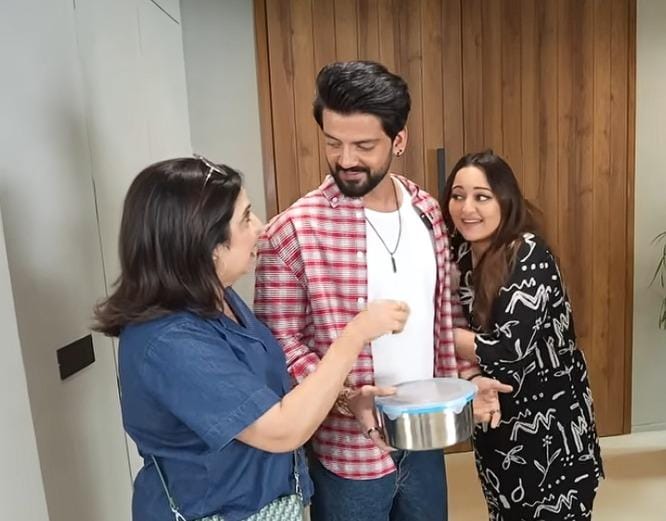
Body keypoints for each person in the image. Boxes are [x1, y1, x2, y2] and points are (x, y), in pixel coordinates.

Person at [254, 61, 510, 521]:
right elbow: (279, 343)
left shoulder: (427, 211)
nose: (345, 159)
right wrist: (345, 396)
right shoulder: (294, 230)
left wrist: (468, 378)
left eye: (364, 145)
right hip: (348, 454)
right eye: (333, 142)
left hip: (424, 436)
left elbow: (443, 314)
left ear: (399, 140)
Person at [92, 156, 411, 521]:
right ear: (207, 243)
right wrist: (355, 335)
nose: (261, 227)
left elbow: (258, 389)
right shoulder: (169, 342)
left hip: (272, 504)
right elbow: (281, 429)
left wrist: (343, 398)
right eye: (245, 218)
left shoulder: (220, 298)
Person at [443, 150, 604, 520]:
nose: (467, 208)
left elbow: (507, 351)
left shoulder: (529, 253)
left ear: (506, 200)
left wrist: (438, 334)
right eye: (458, 195)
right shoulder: (459, 253)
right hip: (496, 418)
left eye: (482, 196)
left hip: (552, 421)